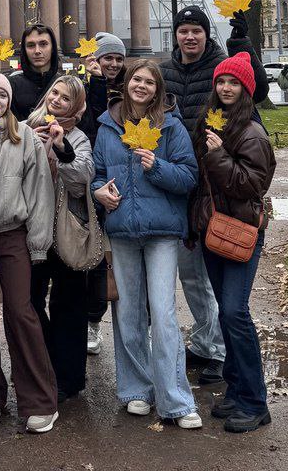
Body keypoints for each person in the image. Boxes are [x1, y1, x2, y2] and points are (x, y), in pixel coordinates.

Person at [161, 4, 267, 385]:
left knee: (214, 276)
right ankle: (207, 341)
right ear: (176, 35)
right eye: (183, 30)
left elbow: (258, 87)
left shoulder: (223, 66)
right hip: (183, 181)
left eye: (197, 31)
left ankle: (220, 350)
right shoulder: (165, 72)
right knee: (191, 274)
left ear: (207, 35)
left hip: (218, 184)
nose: (190, 37)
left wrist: (243, 42)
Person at [92, 58, 201, 428]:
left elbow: (189, 176)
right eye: (136, 80)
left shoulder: (171, 127)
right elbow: (98, 173)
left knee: (164, 314)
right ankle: (137, 389)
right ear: (126, 84)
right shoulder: (107, 126)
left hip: (162, 232)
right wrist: (99, 193)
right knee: (128, 313)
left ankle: (176, 400)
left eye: (149, 82)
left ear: (157, 89)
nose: (142, 86)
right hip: (122, 229)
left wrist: (158, 167)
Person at [0, 72, 59, 433]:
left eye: (2, 95)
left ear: (9, 101)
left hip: (14, 234)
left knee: (21, 312)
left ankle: (38, 400)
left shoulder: (27, 138)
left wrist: (37, 244)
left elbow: (39, 192)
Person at [191, 53, 275, 433]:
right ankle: (238, 390)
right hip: (214, 230)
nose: (225, 88)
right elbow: (201, 181)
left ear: (246, 90)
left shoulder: (252, 133)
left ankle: (256, 402)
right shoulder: (211, 123)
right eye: (222, 82)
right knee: (227, 315)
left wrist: (218, 154)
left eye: (233, 83)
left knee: (235, 313)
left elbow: (250, 184)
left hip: (241, 232)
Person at [28, 74, 95, 403]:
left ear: (77, 107)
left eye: (66, 98)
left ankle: (68, 377)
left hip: (67, 230)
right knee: (30, 302)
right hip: (33, 230)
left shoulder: (78, 138)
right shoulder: (26, 127)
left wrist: (60, 147)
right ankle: (43, 367)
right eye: (54, 92)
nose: (56, 100)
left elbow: (81, 179)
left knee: (69, 304)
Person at [79, 32, 126, 355]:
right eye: (106, 57)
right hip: (95, 182)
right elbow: (90, 124)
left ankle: (137, 327)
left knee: (126, 259)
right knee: (98, 260)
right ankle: (93, 321)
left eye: (117, 58)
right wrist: (94, 84)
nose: (111, 63)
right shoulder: (85, 89)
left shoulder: (129, 89)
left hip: (124, 180)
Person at [9, 21, 61, 120]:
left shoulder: (65, 83)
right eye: (31, 45)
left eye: (43, 44)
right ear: (24, 50)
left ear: (52, 48)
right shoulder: (12, 85)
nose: (37, 51)